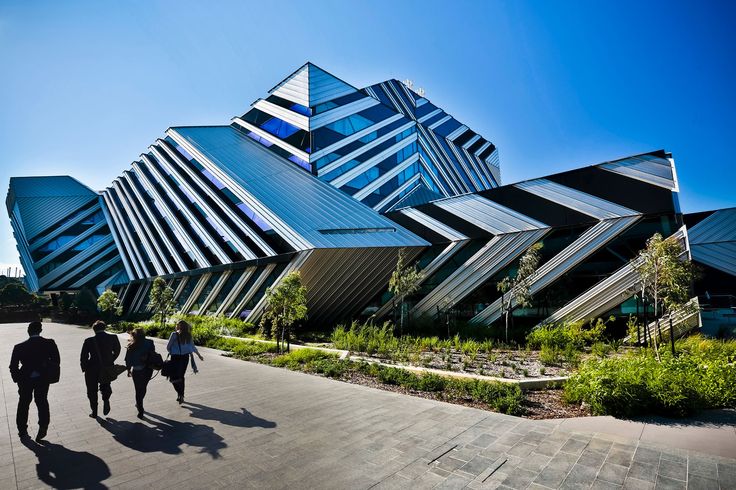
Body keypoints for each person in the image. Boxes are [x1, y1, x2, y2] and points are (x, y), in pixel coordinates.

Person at [9, 321, 60, 441]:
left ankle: (22, 430)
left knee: (23, 403)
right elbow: (56, 360)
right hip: (43, 377)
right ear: (40, 330)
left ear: (28, 331)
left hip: (25, 378)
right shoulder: (49, 343)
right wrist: (43, 369)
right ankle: (43, 426)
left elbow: (13, 366)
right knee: (42, 401)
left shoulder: (19, 347)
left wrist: (17, 378)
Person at [80, 320, 121, 418]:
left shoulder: (89, 341)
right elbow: (117, 350)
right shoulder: (113, 337)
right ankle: (106, 399)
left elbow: (83, 356)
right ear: (104, 328)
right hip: (106, 367)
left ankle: (94, 411)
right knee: (106, 384)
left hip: (92, 369)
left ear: (94, 330)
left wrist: (84, 368)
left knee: (91, 390)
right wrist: (110, 360)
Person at [166, 320, 203, 404]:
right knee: (181, 376)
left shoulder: (174, 334)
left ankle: (180, 393)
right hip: (185, 358)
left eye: (177, 325)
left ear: (179, 326)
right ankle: (181, 394)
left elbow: (168, 347)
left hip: (175, 358)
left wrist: (172, 352)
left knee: (173, 377)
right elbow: (192, 347)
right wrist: (199, 355)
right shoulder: (188, 335)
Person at [124, 328, 156, 419]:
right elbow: (153, 353)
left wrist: (128, 370)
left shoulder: (131, 345)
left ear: (134, 335)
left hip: (137, 370)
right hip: (148, 369)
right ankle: (139, 403)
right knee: (144, 387)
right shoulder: (150, 342)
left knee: (138, 389)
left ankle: (140, 408)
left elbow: (128, 359)